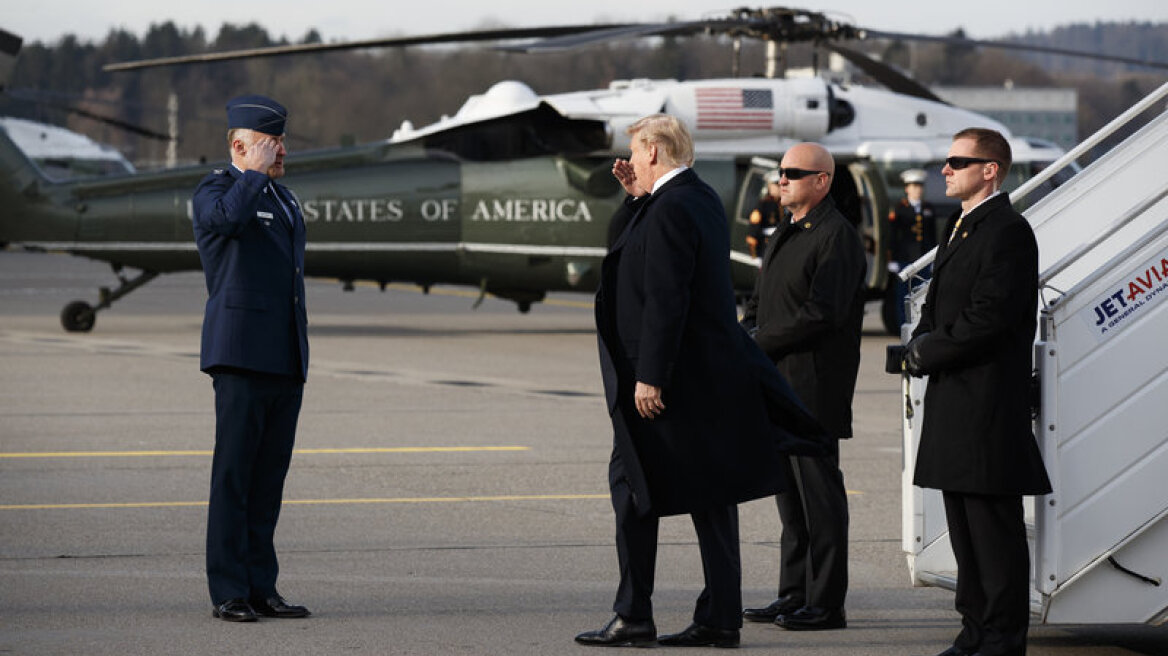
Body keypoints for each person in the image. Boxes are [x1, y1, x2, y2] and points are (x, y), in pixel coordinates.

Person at [576, 114, 826, 649]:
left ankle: (634, 614)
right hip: (698, 381)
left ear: (652, 151)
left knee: (632, 490)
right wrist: (633, 199)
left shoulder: (673, 207)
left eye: (635, 151)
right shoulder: (691, 198)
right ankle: (720, 617)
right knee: (711, 498)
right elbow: (626, 256)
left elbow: (669, 297)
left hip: (666, 386)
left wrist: (650, 377)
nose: (631, 159)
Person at [902, 128, 1052, 656]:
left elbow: (990, 316)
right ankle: (975, 631)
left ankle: (1003, 638)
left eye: (956, 161)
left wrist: (927, 352)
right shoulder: (960, 226)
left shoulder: (1008, 229)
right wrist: (919, 340)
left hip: (987, 403)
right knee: (965, 528)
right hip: (954, 400)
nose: (944, 169)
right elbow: (938, 304)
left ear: (990, 169)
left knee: (993, 532)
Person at [192, 94, 311, 623]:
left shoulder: (284, 199)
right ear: (240, 145)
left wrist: (264, 177)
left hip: (284, 356)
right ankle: (228, 590)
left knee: (268, 482)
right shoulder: (218, 189)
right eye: (269, 143)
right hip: (240, 355)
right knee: (235, 477)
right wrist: (254, 174)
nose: (280, 150)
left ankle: (263, 586)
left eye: (281, 141)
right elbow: (227, 223)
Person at [740, 142, 866, 632]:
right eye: (781, 171)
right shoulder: (785, 230)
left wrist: (757, 343)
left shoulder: (837, 236)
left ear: (822, 180)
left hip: (814, 388)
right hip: (777, 382)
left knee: (821, 500)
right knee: (789, 499)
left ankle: (826, 603)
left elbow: (821, 314)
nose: (783, 178)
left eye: (794, 172)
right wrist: (743, 335)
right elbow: (763, 299)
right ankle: (793, 593)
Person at [886, 168, 937, 329]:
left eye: (919, 186)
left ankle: (921, 327)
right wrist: (892, 259)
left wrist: (934, 258)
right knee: (903, 295)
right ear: (907, 189)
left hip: (923, 259)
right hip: (904, 259)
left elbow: (932, 235)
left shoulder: (928, 208)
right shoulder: (899, 208)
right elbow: (892, 236)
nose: (917, 190)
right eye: (913, 186)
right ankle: (903, 326)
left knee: (923, 295)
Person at [746, 170, 783, 258]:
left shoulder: (782, 204)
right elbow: (753, 229)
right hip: (765, 247)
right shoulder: (763, 204)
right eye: (777, 185)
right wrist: (753, 253)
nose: (780, 188)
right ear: (770, 186)